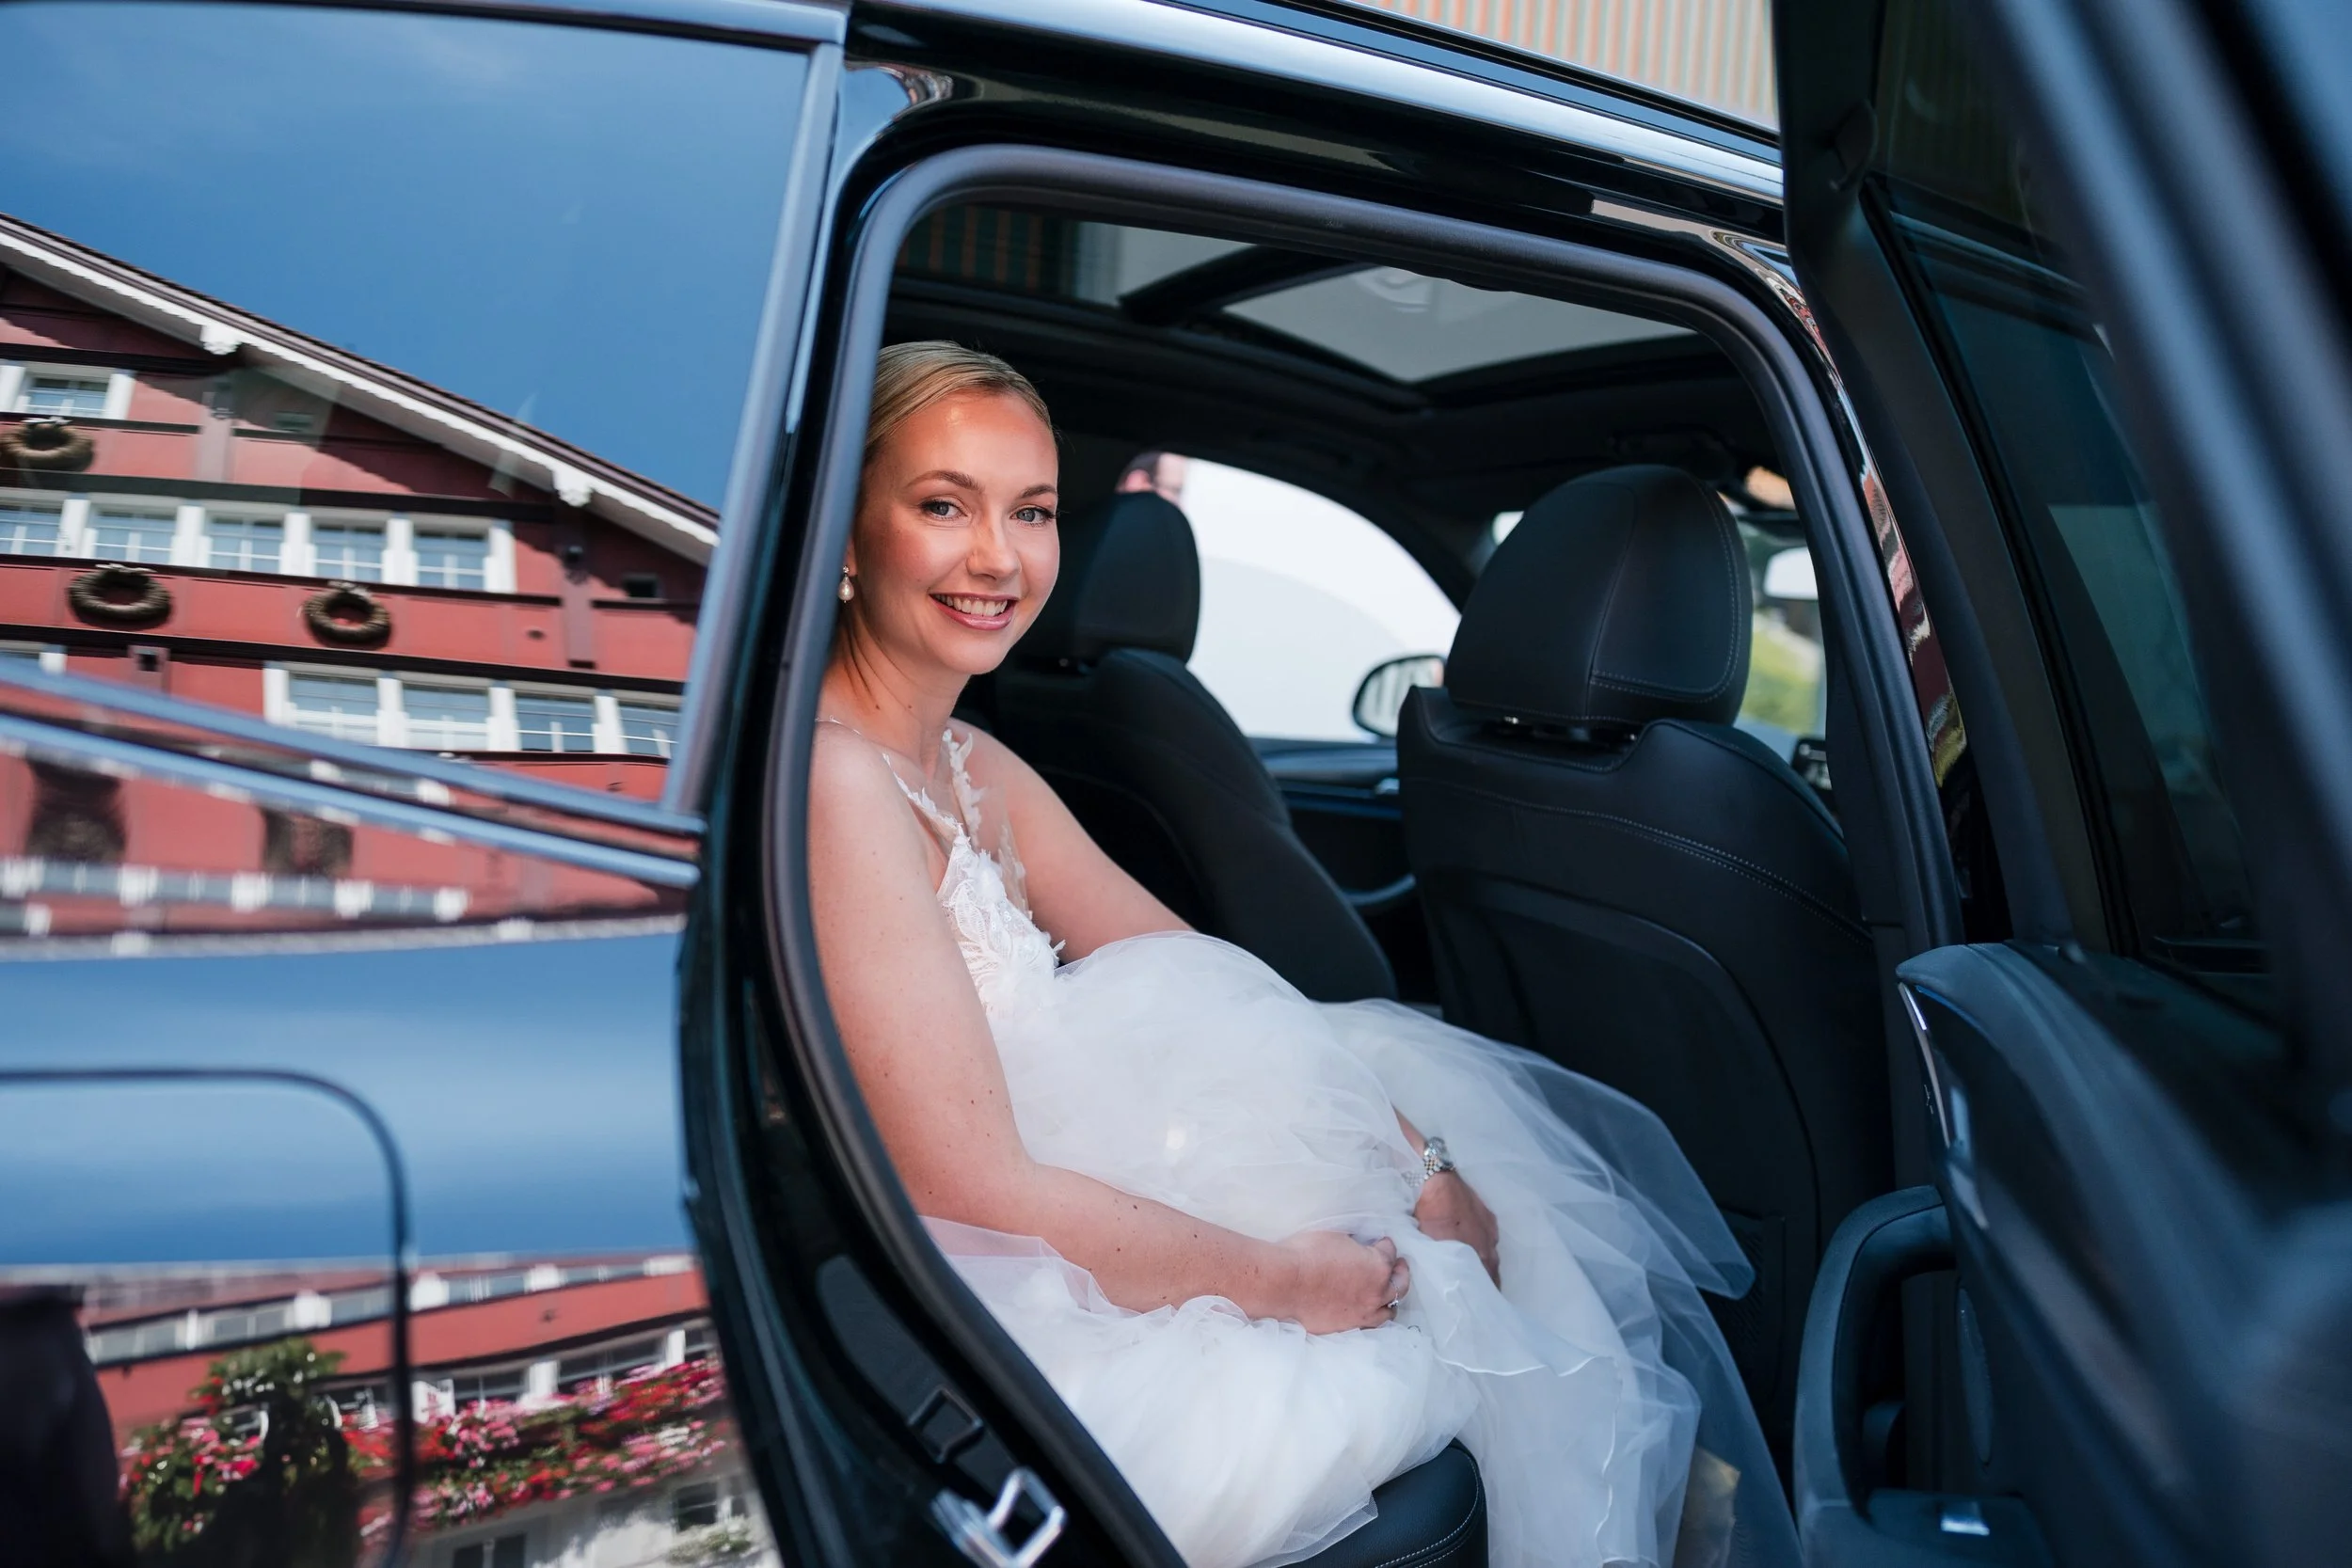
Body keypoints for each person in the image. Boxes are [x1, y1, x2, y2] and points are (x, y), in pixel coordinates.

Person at [806, 341, 1795, 1568]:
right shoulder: (839, 785)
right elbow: (982, 1190)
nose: (1001, 556)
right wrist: (1280, 1279)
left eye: (1035, 511)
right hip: (994, 1277)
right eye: (944, 505)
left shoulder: (977, 768)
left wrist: (1418, 1155)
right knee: (1412, 1332)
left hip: (1071, 1169)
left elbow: (1210, 979)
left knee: (1476, 1209)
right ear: (845, 539)